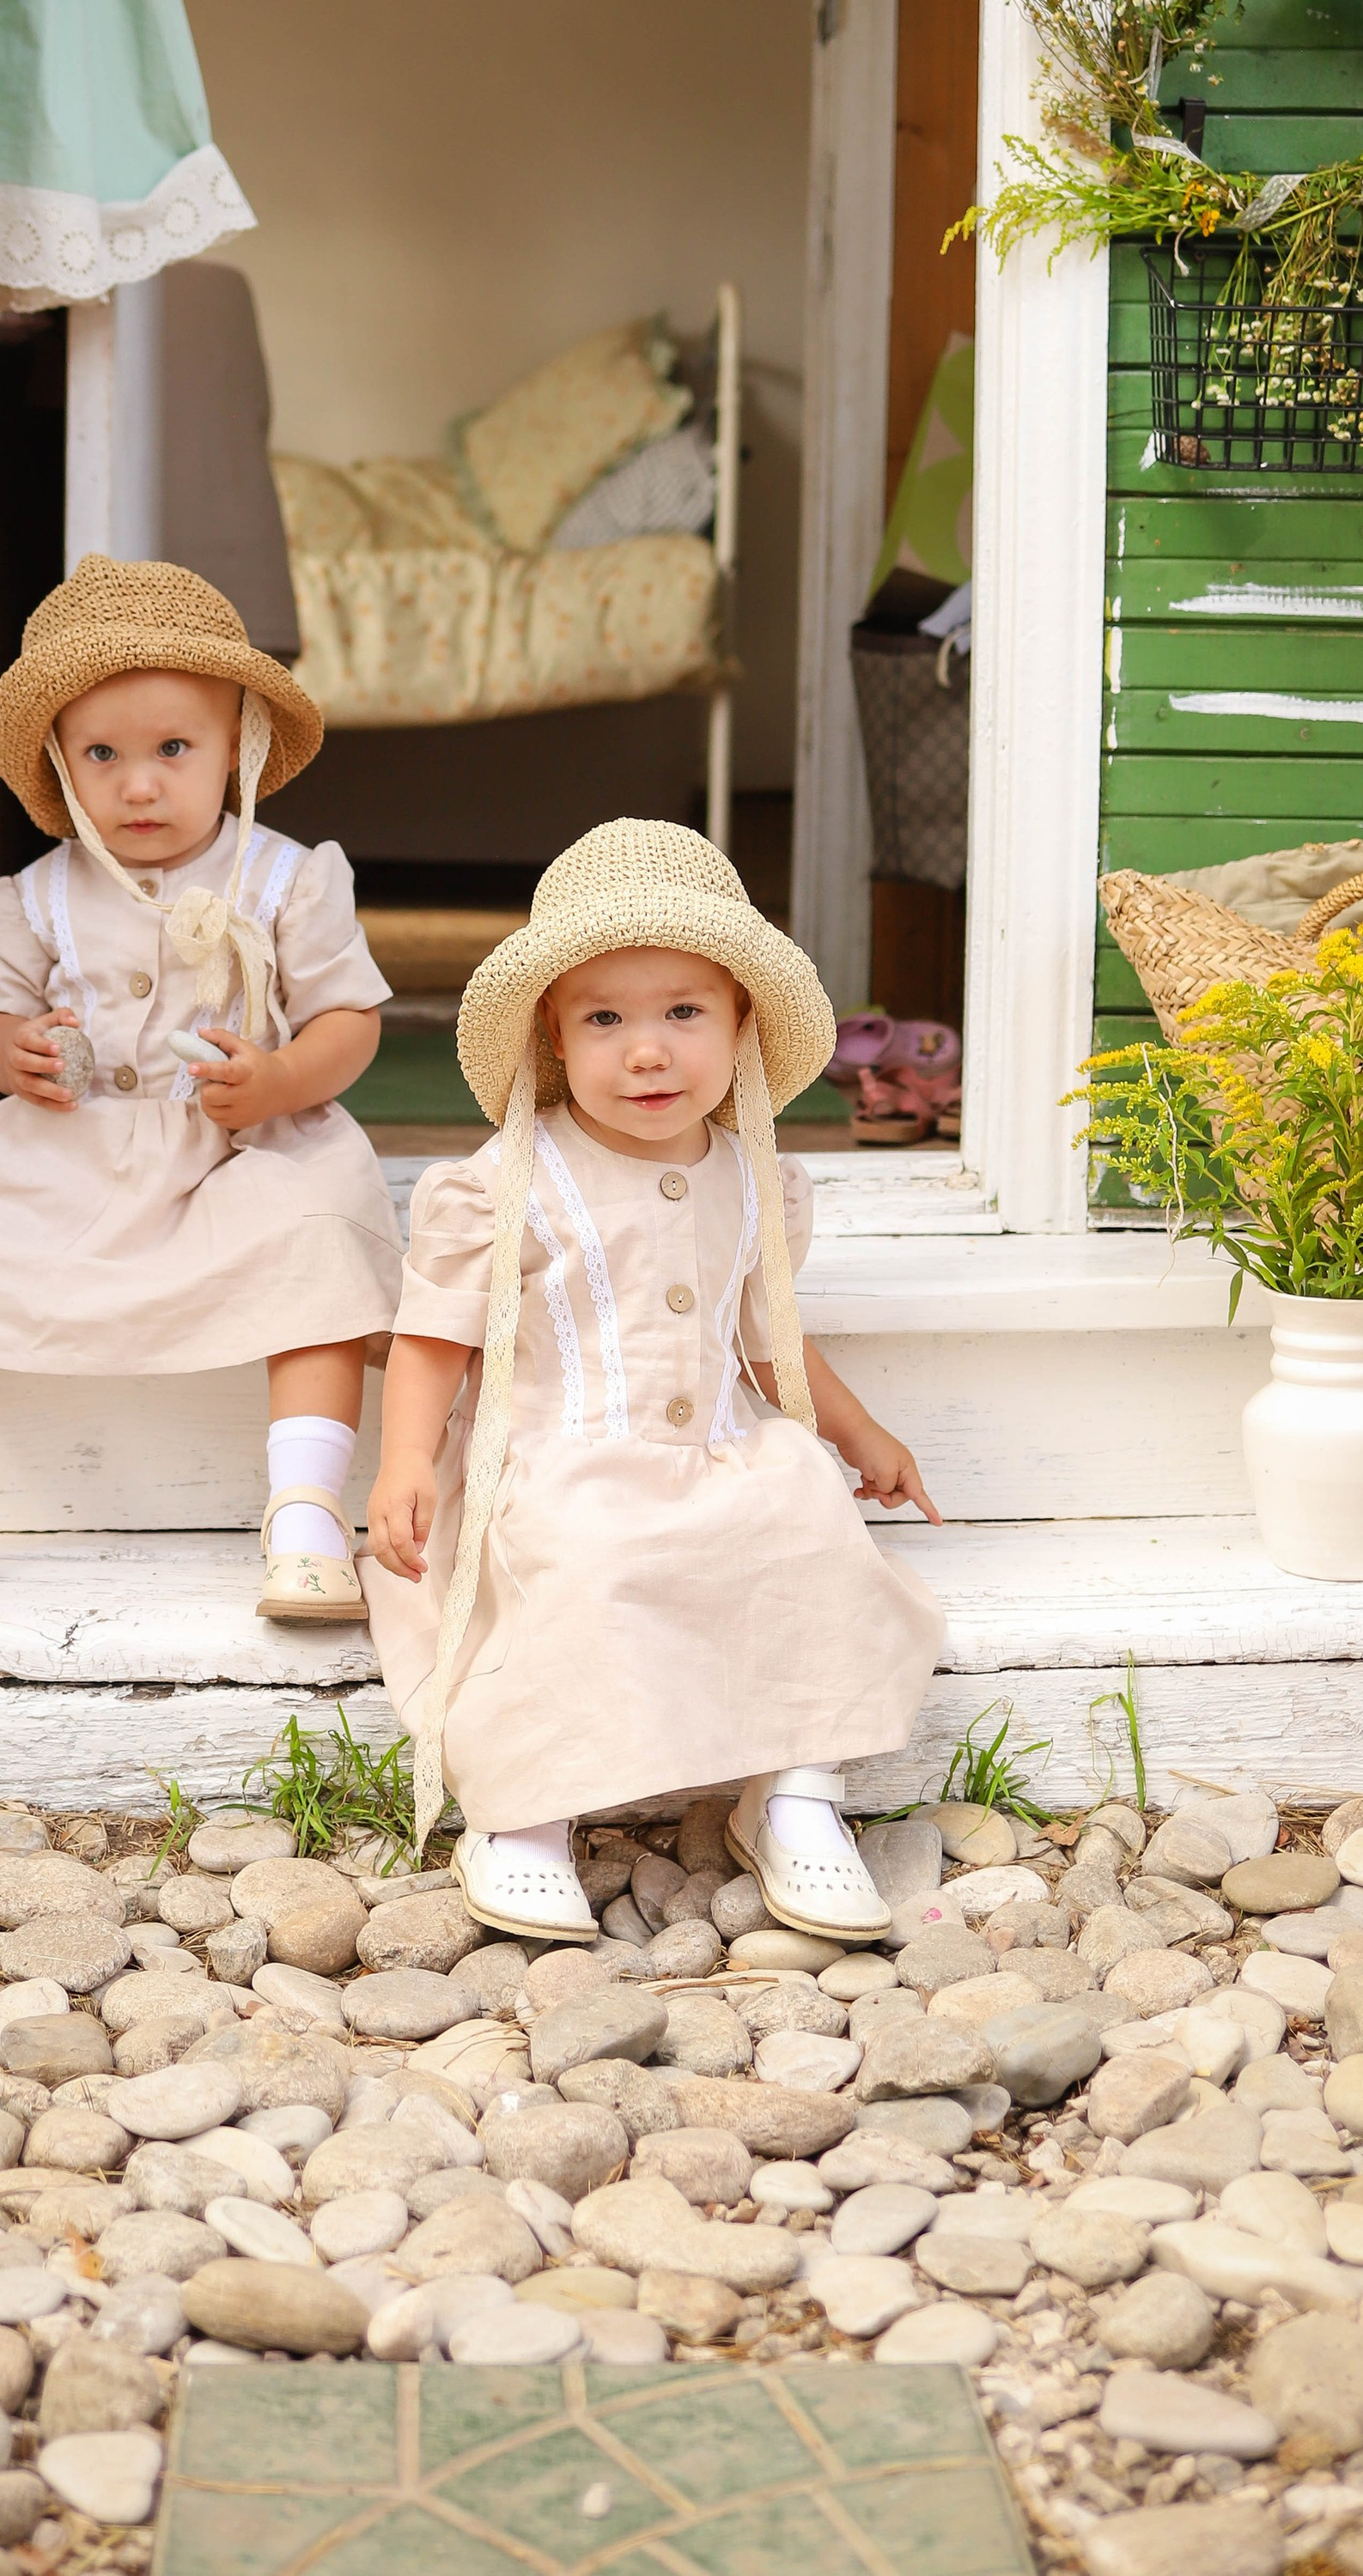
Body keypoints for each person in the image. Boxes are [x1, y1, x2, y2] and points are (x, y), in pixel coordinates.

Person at [360, 817, 946, 1947]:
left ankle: (793, 1791)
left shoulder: (752, 1178)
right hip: (564, 1455)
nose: (647, 1051)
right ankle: (525, 1809)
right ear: (554, 1037)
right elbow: (436, 1335)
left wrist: (859, 1432)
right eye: (605, 1019)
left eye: (684, 1013)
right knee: (582, 1562)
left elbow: (768, 1334)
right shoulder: (508, 1185)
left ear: (740, 1026)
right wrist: (400, 1464)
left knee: (806, 1523)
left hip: (727, 1447)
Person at [0, 559, 402, 1619]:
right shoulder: (36, 899)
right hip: (79, 1149)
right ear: (62, 766)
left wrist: (279, 1080)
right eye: (104, 755)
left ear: (237, 750)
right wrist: (14, 1054)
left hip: (246, 1145)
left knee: (314, 1239)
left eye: (174, 749)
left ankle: (308, 1510)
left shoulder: (285, 879)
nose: (140, 784)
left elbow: (350, 1021)